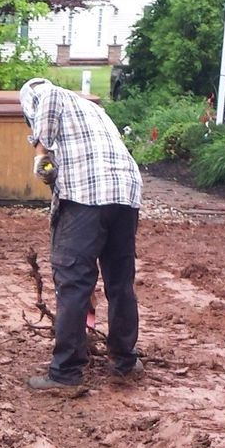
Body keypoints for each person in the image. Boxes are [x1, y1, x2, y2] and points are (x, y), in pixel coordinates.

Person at [18, 77, 141, 396]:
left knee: (73, 281)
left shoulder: (45, 95)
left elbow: (45, 155)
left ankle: (65, 373)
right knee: (120, 281)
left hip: (87, 195)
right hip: (126, 194)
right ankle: (125, 360)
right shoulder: (93, 110)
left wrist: (42, 161)